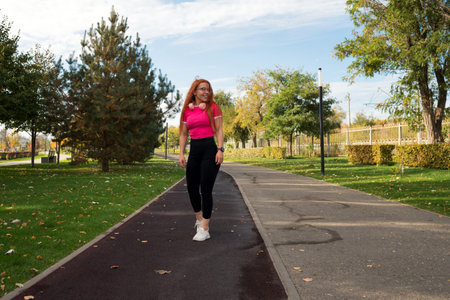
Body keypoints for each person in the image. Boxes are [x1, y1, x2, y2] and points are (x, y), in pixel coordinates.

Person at [179, 78, 224, 242]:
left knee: (206, 189)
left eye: (208, 89)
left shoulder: (214, 107)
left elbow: (219, 130)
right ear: (195, 91)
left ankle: (205, 228)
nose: (206, 92)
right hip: (194, 151)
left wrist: (220, 149)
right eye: (202, 89)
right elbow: (183, 134)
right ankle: (199, 219)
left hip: (210, 150)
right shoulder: (187, 110)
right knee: (191, 187)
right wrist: (181, 154)